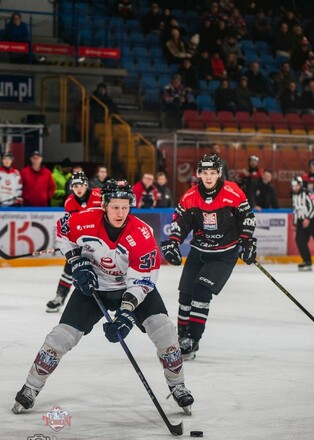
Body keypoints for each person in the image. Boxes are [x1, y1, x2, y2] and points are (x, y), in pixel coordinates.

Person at [13, 179, 194, 414]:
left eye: (125, 207)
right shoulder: (84, 219)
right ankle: (30, 387)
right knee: (60, 337)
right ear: (105, 205)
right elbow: (62, 231)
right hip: (92, 289)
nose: (120, 213)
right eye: (115, 207)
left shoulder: (142, 233)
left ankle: (177, 385)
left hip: (132, 291)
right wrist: (77, 261)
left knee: (165, 331)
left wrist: (126, 313)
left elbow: (142, 281)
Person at [160, 154, 257, 360]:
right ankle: (182, 336)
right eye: (205, 173)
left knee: (202, 290)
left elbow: (247, 218)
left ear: (219, 173)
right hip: (199, 252)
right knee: (185, 294)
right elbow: (180, 223)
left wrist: (247, 241)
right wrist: (173, 242)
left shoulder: (233, 192)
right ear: (199, 174)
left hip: (224, 254)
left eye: (213, 172)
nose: (209, 176)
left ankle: (193, 340)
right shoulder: (190, 196)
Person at [45, 171, 102, 313]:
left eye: (81, 185)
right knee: (70, 266)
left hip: (102, 241)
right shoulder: (69, 202)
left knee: (106, 269)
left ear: (86, 185)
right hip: (82, 242)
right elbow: (72, 226)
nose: (78, 188)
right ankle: (59, 297)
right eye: (75, 185)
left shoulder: (99, 195)